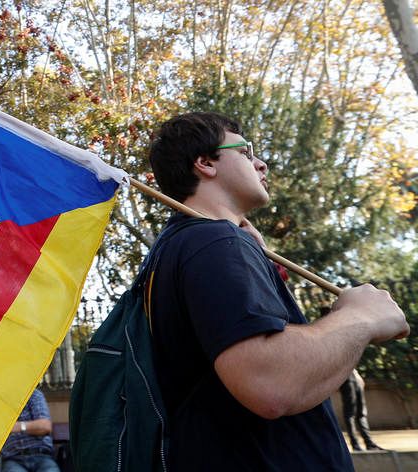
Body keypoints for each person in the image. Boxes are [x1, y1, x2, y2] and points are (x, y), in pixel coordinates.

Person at [145, 112, 409, 470]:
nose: (261, 163)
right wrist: (361, 317)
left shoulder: (188, 245)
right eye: (246, 151)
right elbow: (269, 385)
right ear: (206, 163)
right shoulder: (213, 241)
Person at [0, 388, 60, 472]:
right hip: (12, 459)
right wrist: (32, 426)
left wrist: (18, 426)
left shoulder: (33, 394)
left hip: (41, 455)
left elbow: (45, 426)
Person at [340, 368, 383, 451]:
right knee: (350, 413)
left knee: (362, 413)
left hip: (355, 378)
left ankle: (369, 443)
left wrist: (357, 375)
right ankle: (355, 445)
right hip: (346, 379)